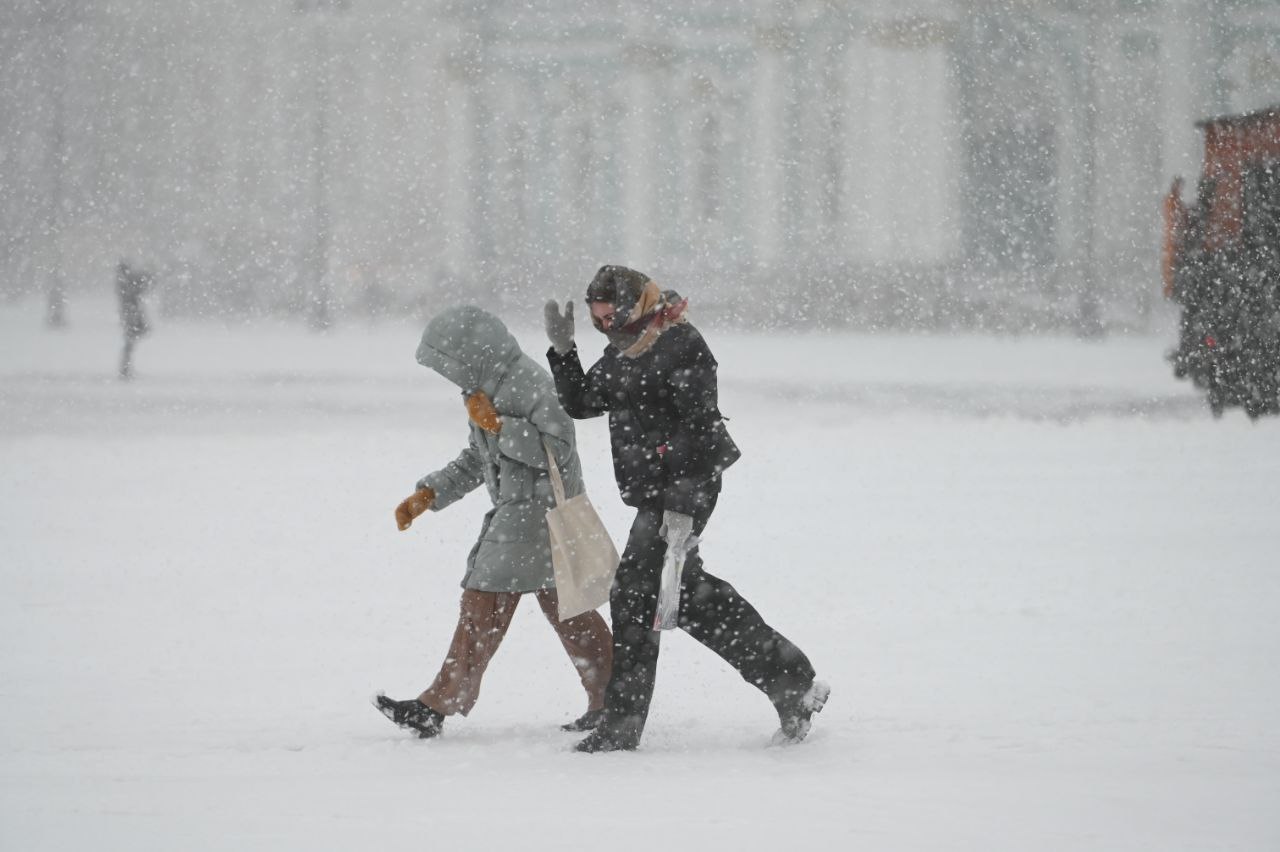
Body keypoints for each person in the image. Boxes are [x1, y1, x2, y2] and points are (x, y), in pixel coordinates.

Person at [544, 265, 828, 752]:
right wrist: (565, 353)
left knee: (634, 595)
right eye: (597, 320)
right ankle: (792, 680)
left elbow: (699, 431)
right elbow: (587, 402)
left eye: (610, 315)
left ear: (634, 304)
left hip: (687, 487)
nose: (605, 326)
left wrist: (680, 511)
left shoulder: (679, 344)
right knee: (688, 597)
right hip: (654, 493)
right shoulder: (623, 351)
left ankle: (622, 723)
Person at [377, 306, 614, 739]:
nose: (449, 377)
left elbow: (557, 450)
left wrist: (501, 425)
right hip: (523, 517)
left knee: (481, 603)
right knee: (570, 612)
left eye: (449, 365)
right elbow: (478, 459)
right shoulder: (483, 388)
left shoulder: (529, 383)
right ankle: (613, 699)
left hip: (535, 516)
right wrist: (429, 494)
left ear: (470, 354)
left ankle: (436, 705)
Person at [116, 259, 152, 380]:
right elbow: (137, 290)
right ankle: (125, 369)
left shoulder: (123, 282)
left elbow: (137, 289)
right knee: (130, 341)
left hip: (130, 313)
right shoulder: (125, 283)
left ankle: (126, 368)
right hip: (131, 313)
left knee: (130, 341)